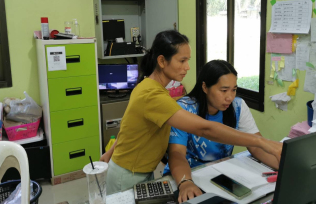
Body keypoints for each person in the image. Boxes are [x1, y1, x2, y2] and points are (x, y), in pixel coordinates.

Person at [100, 30, 282, 196]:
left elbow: (131, 127)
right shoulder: (153, 95)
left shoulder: (154, 88)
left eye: (188, 60)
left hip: (137, 170)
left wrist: (111, 153)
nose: (187, 67)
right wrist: (262, 141)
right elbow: (204, 129)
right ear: (162, 61)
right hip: (128, 174)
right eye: (182, 61)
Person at [163, 60, 279, 203]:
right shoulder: (184, 109)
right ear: (205, 87)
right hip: (187, 176)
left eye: (234, 89)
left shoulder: (238, 106)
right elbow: (176, 153)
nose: (229, 97)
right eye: (223, 90)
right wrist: (185, 182)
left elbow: (256, 146)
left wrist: (283, 165)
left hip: (220, 176)